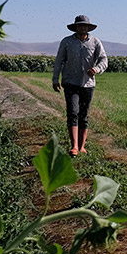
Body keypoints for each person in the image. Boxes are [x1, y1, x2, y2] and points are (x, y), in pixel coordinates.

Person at [51, 15, 108, 156]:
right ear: (75, 27)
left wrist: (96, 69)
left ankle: (82, 146)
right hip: (70, 82)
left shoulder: (95, 42)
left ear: (88, 28)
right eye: (80, 26)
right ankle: (74, 146)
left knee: (84, 114)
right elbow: (59, 61)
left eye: (85, 26)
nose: (82, 28)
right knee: (72, 112)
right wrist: (55, 79)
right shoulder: (67, 42)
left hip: (88, 84)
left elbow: (103, 60)